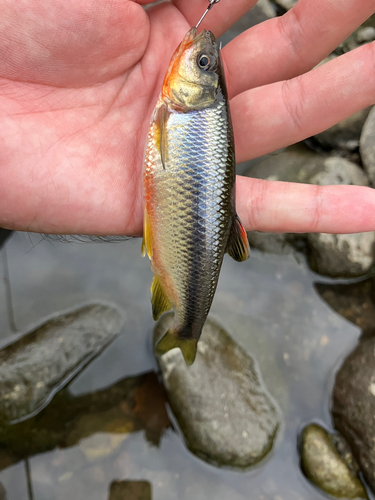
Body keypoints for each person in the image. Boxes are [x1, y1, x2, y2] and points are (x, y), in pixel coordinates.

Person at [0, 0, 374, 237]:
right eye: (205, 62)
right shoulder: (181, 109)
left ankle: (184, 326)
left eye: (203, 63)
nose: (199, 54)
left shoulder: (182, 109)